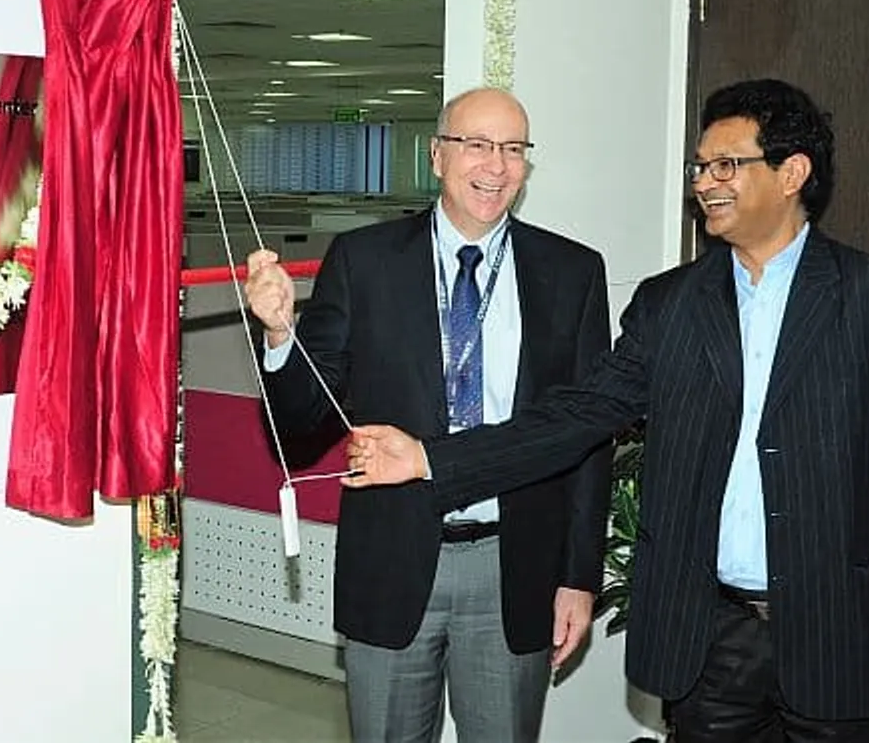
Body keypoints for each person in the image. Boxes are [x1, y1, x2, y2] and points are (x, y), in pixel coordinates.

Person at [345, 79, 869, 743]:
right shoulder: (671, 304)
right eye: (700, 166)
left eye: (726, 165)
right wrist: (431, 457)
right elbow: (576, 416)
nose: (705, 182)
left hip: (845, 632)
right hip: (710, 642)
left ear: (793, 172)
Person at [244, 87, 613, 743]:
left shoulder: (573, 273)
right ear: (438, 156)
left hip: (515, 565)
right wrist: (279, 334)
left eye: (512, 149)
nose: (494, 166)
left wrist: (579, 579)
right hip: (392, 556)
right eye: (476, 144)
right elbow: (300, 422)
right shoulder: (364, 262)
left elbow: (587, 437)